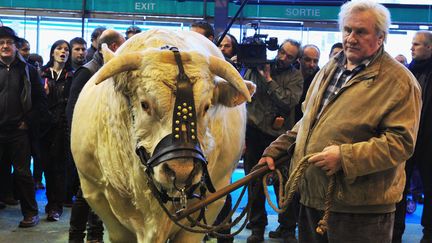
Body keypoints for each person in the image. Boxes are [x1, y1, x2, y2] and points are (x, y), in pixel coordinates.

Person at [258, 1, 422, 242]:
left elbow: (401, 143)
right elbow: (309, 122)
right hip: (312, 198)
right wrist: (277, 149)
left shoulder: (399, 82)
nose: (351, 38)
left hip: (360, 212)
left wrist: (346, 158)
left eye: (361, 31)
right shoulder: (329, 69)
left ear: (380, 37)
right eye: (347, 30)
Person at [66, 29, 125, 243]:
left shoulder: (110, 68)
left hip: (107, 142)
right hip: (90, 144)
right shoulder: (88, 70)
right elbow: (73, 110)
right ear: (115, 47)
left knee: (102, 194)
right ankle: (76, 236)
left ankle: (95, 235)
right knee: (86, 194)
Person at [243, 39, 303, 243]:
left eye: (290, 56)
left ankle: (287, 228)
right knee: (254, 183)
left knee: (284, 183)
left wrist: (268, 79)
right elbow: (245, 95)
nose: (284, 58)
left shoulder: (296, 76)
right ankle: (257, 227)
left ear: (296, 59)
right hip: (254, 132)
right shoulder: (256, 67)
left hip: (280, 138)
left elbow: (288, 101)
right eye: (282, 52)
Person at [0, 26, 46, 227]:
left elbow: (40, 102)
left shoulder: (29, 70)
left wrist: (27, 122)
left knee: (23, 173)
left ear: (16, 46)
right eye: (1, 43)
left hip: (19, 131)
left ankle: (31, 213)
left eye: (9, 42)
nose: (5, 46)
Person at [393, 30, 432, 243]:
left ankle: (429, 234)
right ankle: (394, 233)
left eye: (416, 44)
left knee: (430, 188)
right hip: (404, 138)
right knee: (398, 187)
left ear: (430, 47)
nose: (411, 48)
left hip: (429, 141)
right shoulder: (405, 72)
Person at [39, 39, 74, 222]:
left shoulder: (72, 75)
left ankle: (55, 206)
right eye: (59, 48)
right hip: (44, 128)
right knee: (47, 167)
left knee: (60, 168)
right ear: (52, 52)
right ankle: (50, 203)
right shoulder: (41, 74)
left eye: (66, 49)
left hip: (63, 127)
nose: (63, 52)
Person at [295, 44, 320, 122]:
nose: (312, 64)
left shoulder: (320, 79)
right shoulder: (290, 73)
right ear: (299, 59)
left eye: (315, 61)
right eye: (307, 60)